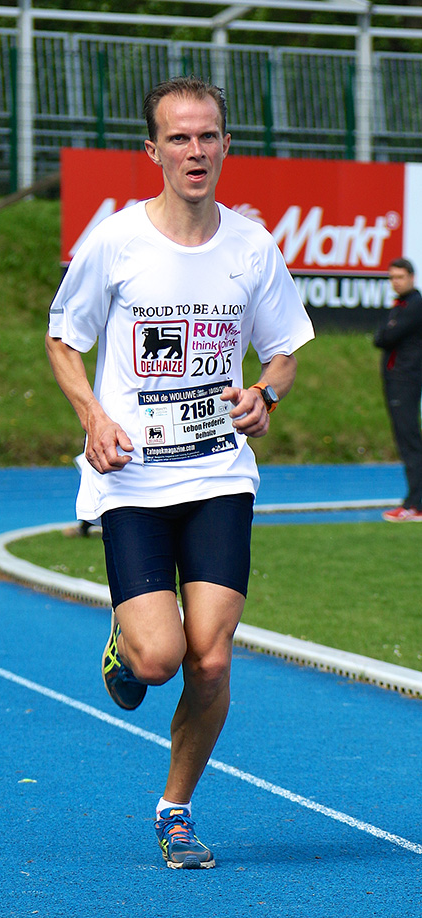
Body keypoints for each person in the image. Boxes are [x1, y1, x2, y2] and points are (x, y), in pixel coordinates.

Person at [46, 75, 314, 869]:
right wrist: (94, 419)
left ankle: (175, 810)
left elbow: (283, 350)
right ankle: (125, 644)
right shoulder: (116, 242)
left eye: (206, 136)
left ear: (225, 145)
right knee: (159, 659)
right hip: (132, 478)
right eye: (178, 137)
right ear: (153, 150)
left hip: (218, 473)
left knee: (212, 657)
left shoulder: (251, 247)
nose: (194, 151)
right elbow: (64, 340)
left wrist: (263, 394)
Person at [374, 257, 422, 522]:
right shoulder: (400, 305)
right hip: (397, 380)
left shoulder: (414, 306)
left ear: (412, 277)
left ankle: (415, 505)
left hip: (406, 379)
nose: (396, 282)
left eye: (400, 277)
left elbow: (385, 337)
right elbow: (381, 336)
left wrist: (387, 331)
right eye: (392, 277)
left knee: (410, 441)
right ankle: (415, 502)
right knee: (407, 440)